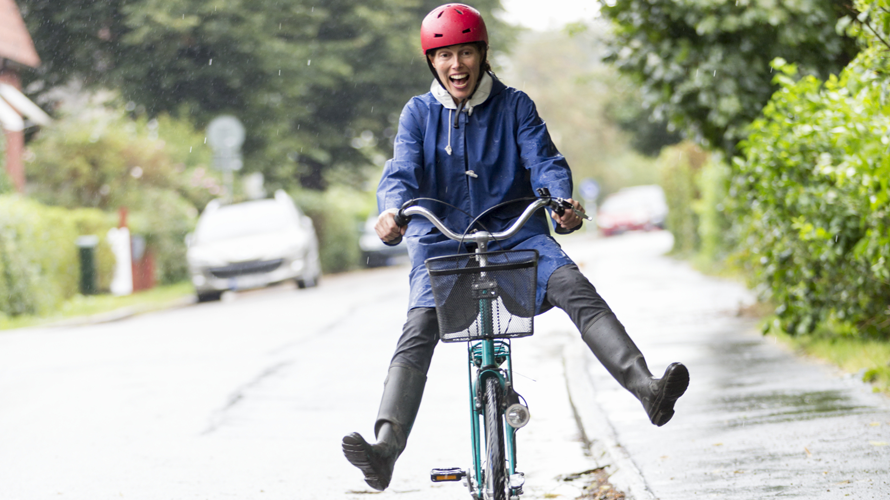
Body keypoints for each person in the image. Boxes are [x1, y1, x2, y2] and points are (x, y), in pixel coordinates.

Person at [342, 3, 689, 491]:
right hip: (442, 244)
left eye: (465, 52)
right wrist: (391, 210)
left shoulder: (515, 106)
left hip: (516, 236)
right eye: (444, 56)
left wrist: (560, 203)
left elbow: (544, 160)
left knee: (574, 286)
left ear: (483, 54)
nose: (456, 65)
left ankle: (647, 388)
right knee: (418, 327)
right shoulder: (418, 115)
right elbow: (400, 172)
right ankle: (385, 449)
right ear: (430, 61)